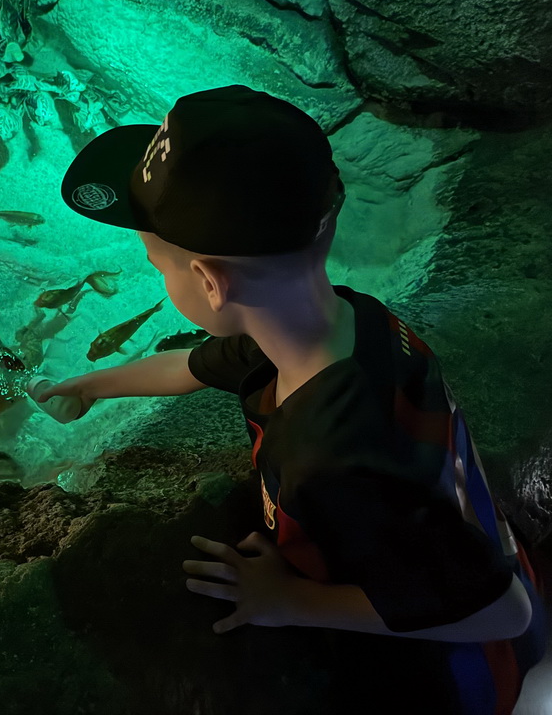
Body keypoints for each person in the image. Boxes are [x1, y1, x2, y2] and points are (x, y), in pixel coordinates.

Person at [39, 85, 547, 712]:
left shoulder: (330, 456)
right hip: (466, 554)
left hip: (453, 673)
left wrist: (286, 601)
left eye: (155, 262)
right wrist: (89, 386)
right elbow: (193, 366)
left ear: (207, 281)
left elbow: (501, 613)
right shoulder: (346, 322)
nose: (157, 273)